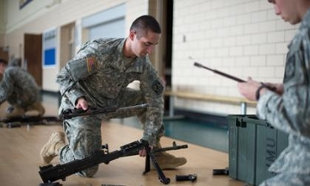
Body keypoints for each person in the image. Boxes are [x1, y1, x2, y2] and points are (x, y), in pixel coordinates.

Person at [40, 15, 187, 177]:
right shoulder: (99, 53)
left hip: (110, 101)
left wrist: (149, 140)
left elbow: (156, 99)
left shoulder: (143, 63)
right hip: (82, 107)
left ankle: (156, 154)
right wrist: (78, 98)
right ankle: (56, 146)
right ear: (132, 35)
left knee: (148, 100)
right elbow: (63, 77)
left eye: (154, 45)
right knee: (87, 169)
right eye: (147, 44)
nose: (150, 51)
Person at [238, 0, 310, 185]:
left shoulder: (305, 37)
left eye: (275, 1)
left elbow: (300, 118)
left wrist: (261, 95)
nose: (277, 11)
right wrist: (286, 89)